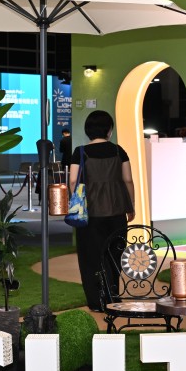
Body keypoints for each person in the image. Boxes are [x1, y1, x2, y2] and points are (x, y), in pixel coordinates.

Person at [69, 110, 135, 311]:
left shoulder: (80, 152)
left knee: (91, 258)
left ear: (88, 130)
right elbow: (128, 180)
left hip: (89, 213)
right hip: (117, 211)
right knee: (114, 255)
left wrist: (77, 199)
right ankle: (112, 297)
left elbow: (73, 180)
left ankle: (97, 301)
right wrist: (131, 206)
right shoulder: (119, 151)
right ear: (109, 130)